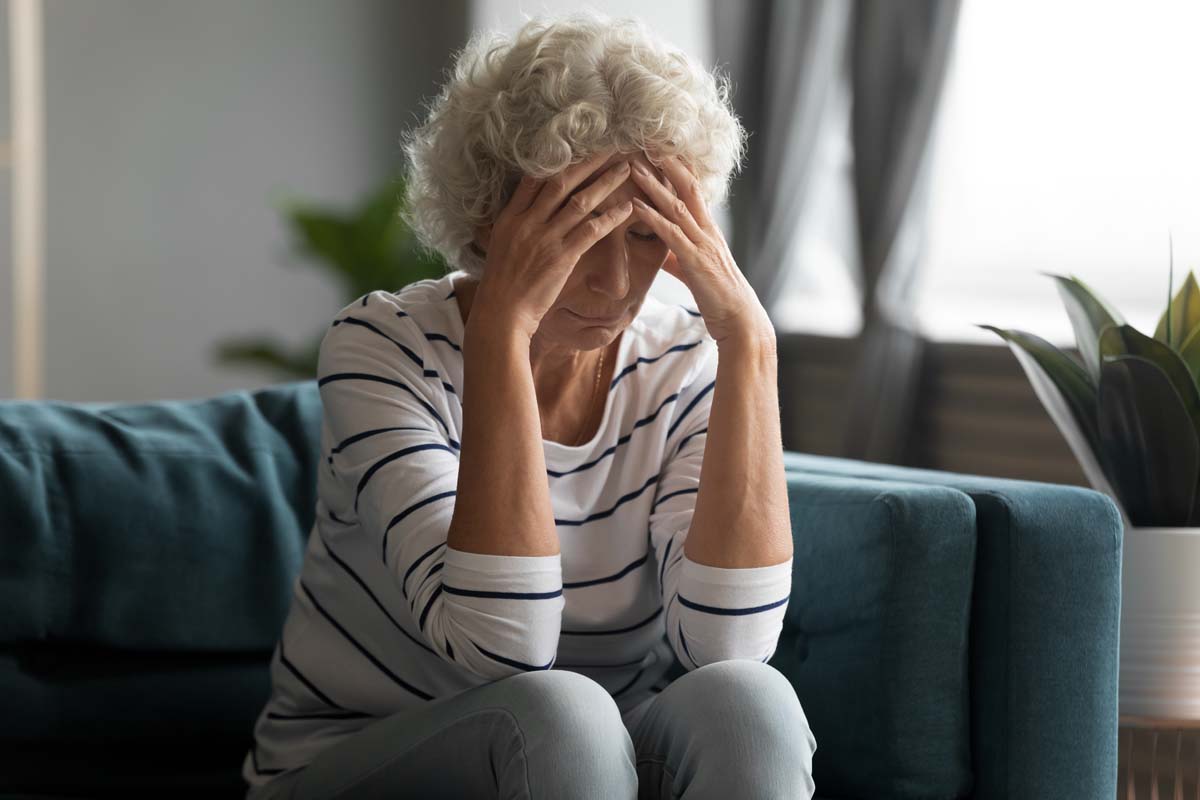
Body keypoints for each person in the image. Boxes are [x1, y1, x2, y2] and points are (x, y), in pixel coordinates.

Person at [243, 10, 816, 799]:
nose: (615, 285)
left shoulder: (689, 353)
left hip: (589, 757)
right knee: (558, 711)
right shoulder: (382, 346)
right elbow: (502, 649)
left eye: (648, 236)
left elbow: (728, 643)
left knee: (751, 703)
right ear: (490, 214)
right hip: (357, 759)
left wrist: (750, 344)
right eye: (579, 232)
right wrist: (503, 334)